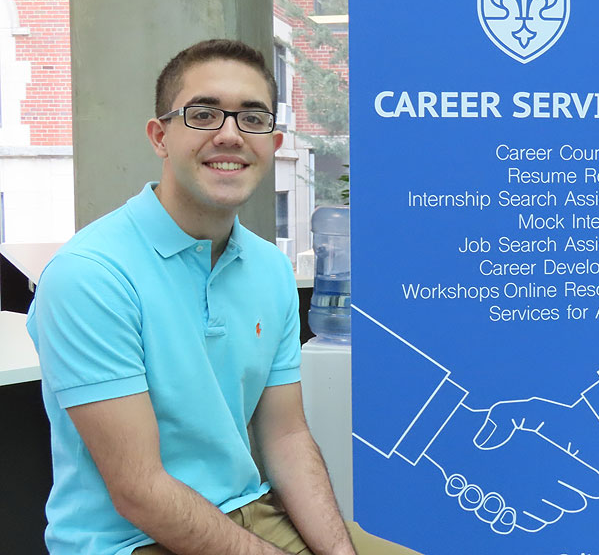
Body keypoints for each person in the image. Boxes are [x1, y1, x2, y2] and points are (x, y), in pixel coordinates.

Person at [27, 39, 356, 555]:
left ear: (273, 141)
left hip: (253, 511)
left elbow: (286, 438)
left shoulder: (269, 269)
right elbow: (140, 491)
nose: (229, 134)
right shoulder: (89, 276)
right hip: (131, 539)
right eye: (203, 114)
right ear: (160, 137)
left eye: (251, 118)